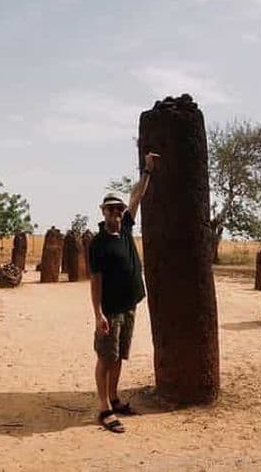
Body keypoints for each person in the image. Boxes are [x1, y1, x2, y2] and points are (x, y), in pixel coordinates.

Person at [89, 152, 158, 433]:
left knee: (119, 356)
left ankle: (115, 398)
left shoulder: (126, 229)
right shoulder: (98, 243)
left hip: (130, 304)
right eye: (111, 209)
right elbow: (95, 281)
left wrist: (147, 171)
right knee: (106, 357)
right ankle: (104, 408)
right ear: (102, 211)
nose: (116, 213)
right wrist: (98, 314)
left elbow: (136, 197)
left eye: (118, 210)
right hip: (111, 309)